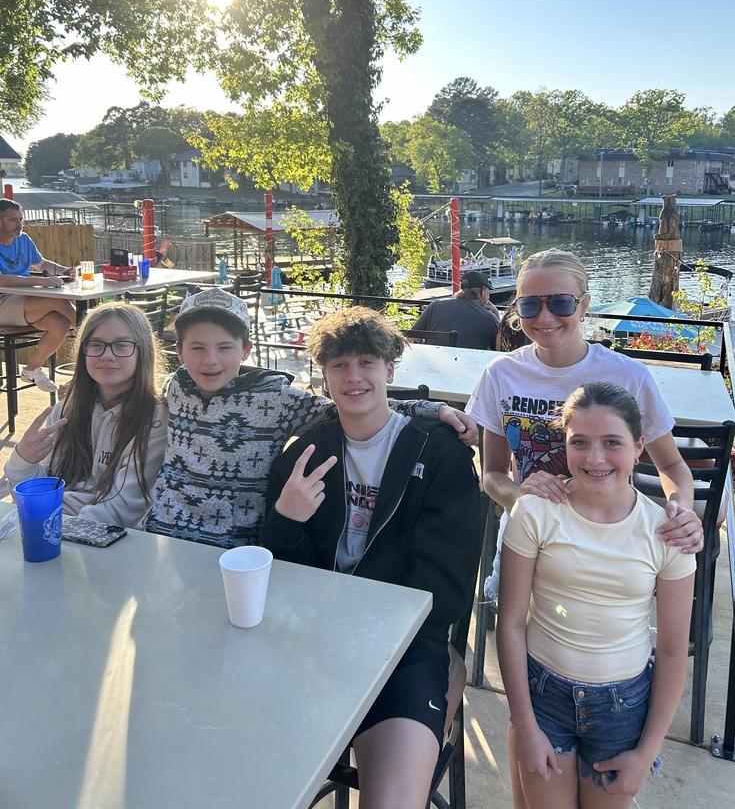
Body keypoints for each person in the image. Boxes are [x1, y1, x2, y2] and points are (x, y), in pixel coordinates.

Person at [464, 248, 703, 809]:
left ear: (585, 304)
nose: (545, 316)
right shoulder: (501, 373)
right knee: (529, 684)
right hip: (529, 543)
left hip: (606, 548)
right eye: (529, 303)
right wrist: (519, 493)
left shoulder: (627, 375)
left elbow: (671, 467)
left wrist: (681, 511)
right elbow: (492, 472)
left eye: (560, 301)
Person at [262, 306, 482, 809]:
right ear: (323, 374)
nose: (354, 376)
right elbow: (279, 573)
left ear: (390, 370)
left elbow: (443, 591)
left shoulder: (439, 452)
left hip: (402, 647)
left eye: (367, 362)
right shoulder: (306, 453)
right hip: (307, 641)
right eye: (339, 365)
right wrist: (286, 519)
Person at [144, 288, 477, 548]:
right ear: (179, 350)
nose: (210, 361)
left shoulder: (276, 399)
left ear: (245, 350)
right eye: (197, 348)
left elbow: (351, 407)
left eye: (224, 347)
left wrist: (434, 409)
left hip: (236, 545)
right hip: (163, 532)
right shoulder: (174, 387)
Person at [496, 382, 695, 808]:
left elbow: (675, 649)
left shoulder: (666, 533)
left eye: (612, 443)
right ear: (564, 444)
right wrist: (526, 729)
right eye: (580, 443)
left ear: (640, 446)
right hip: (543, 694)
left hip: (622, 708)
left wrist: (648, 751)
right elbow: (510, 622)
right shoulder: (535, 512)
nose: (595, 458)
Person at [4, 303, 168, 527]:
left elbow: (125, 510)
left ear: (143, 352)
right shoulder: (65, 410)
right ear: (83, 351)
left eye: (121, 345)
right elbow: (30, 498)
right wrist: (22, 461)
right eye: (96, 345)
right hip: (59, 531)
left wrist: (53, 525)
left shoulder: (155, 420)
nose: (107, 355)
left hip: (111, 544)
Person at [0, 198, 76, 392]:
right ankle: (95, 341)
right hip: (2, 303)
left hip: (22, 301)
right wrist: (40, 282)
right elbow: (1, 280)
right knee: (56, 300)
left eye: (21, 219)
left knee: (61, 324)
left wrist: (65, 271)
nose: (20, 224)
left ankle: (32, 369)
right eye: (13, 220)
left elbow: (42, 265)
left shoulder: (24, 239)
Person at [410, 268, 499, 349]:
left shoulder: (435, 306)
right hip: (470, 365)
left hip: (433, 363)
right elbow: (500, 349)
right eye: (489, 291)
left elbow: (412, 338)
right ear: (483, 291)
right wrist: (496, 314)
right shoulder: (489, 319)